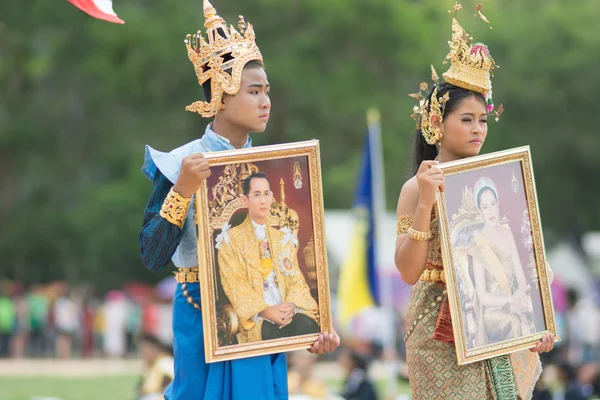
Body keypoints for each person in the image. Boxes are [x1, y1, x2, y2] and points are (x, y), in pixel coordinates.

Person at [139, 2, 339, 399]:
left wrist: (316, 325)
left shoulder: (275, 171)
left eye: (267, 91)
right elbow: (151, 254)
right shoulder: (182, 163)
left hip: (264, 324)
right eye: (254, 91)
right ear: (221, 95)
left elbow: (289, 267)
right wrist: (181, 191)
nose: (266, 101)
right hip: (202, 315)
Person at [394, 5, 554, 399]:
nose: (477, 129)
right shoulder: (417, 186)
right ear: (436, 122)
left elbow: (526, 257)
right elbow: (408, 271)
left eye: (482, 119)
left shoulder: (498, 183)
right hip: (438, 330)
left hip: (496, 318)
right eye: (466, 119)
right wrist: (425, 202)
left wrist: (539, 320)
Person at [217, 172, 320, 343]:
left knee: (309, 327)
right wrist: (265, 311)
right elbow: (234, 284)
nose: (263, 200)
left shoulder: (282, 239)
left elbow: (296, 280)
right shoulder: (230, 240)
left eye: (266, 194)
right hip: (256, 317)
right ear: (245, 200)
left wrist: (291, 306)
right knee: (269, 333)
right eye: (257, 195)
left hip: (287, 311)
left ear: (272, 197)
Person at [468, 177, 537, 345]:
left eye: (493, 204)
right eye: (485, 207)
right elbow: (483, 297)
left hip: (512, 302)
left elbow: (520, 276)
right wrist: (509, 301)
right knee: (515, 321)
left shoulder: (507, 234)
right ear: (480, 210)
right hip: (492, 313)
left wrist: (520, 295)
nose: (490, 211)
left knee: (529, 317)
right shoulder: (478, 244)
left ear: (498, 204)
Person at [136, 334, 175, 400]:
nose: (143, 355)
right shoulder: (155, 363)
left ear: (154, 349)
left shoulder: (165, 362)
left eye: (145, 351)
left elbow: (174, 385)